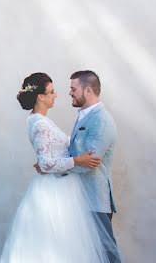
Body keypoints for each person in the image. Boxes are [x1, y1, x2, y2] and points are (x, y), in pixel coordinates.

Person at [0, 73, 118, 263]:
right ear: (41, 96)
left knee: (76, 248)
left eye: (72, 89)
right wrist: (75, 161)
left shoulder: (41, 120)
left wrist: (53, 164)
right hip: (55, 192)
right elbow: (48, 161)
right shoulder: (40, 123)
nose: (58, 95)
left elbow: (55, 157)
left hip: (71, 190)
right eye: (52, 92)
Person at [67, 70, 122, 263]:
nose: (69, 92)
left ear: (88, 90)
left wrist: (57, 166)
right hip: (81, 198)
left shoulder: (101, 120)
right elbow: (77, 155)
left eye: (73, 88)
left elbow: (88, 163)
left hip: (95, 200)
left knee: (106, 255)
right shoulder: (84, 115)